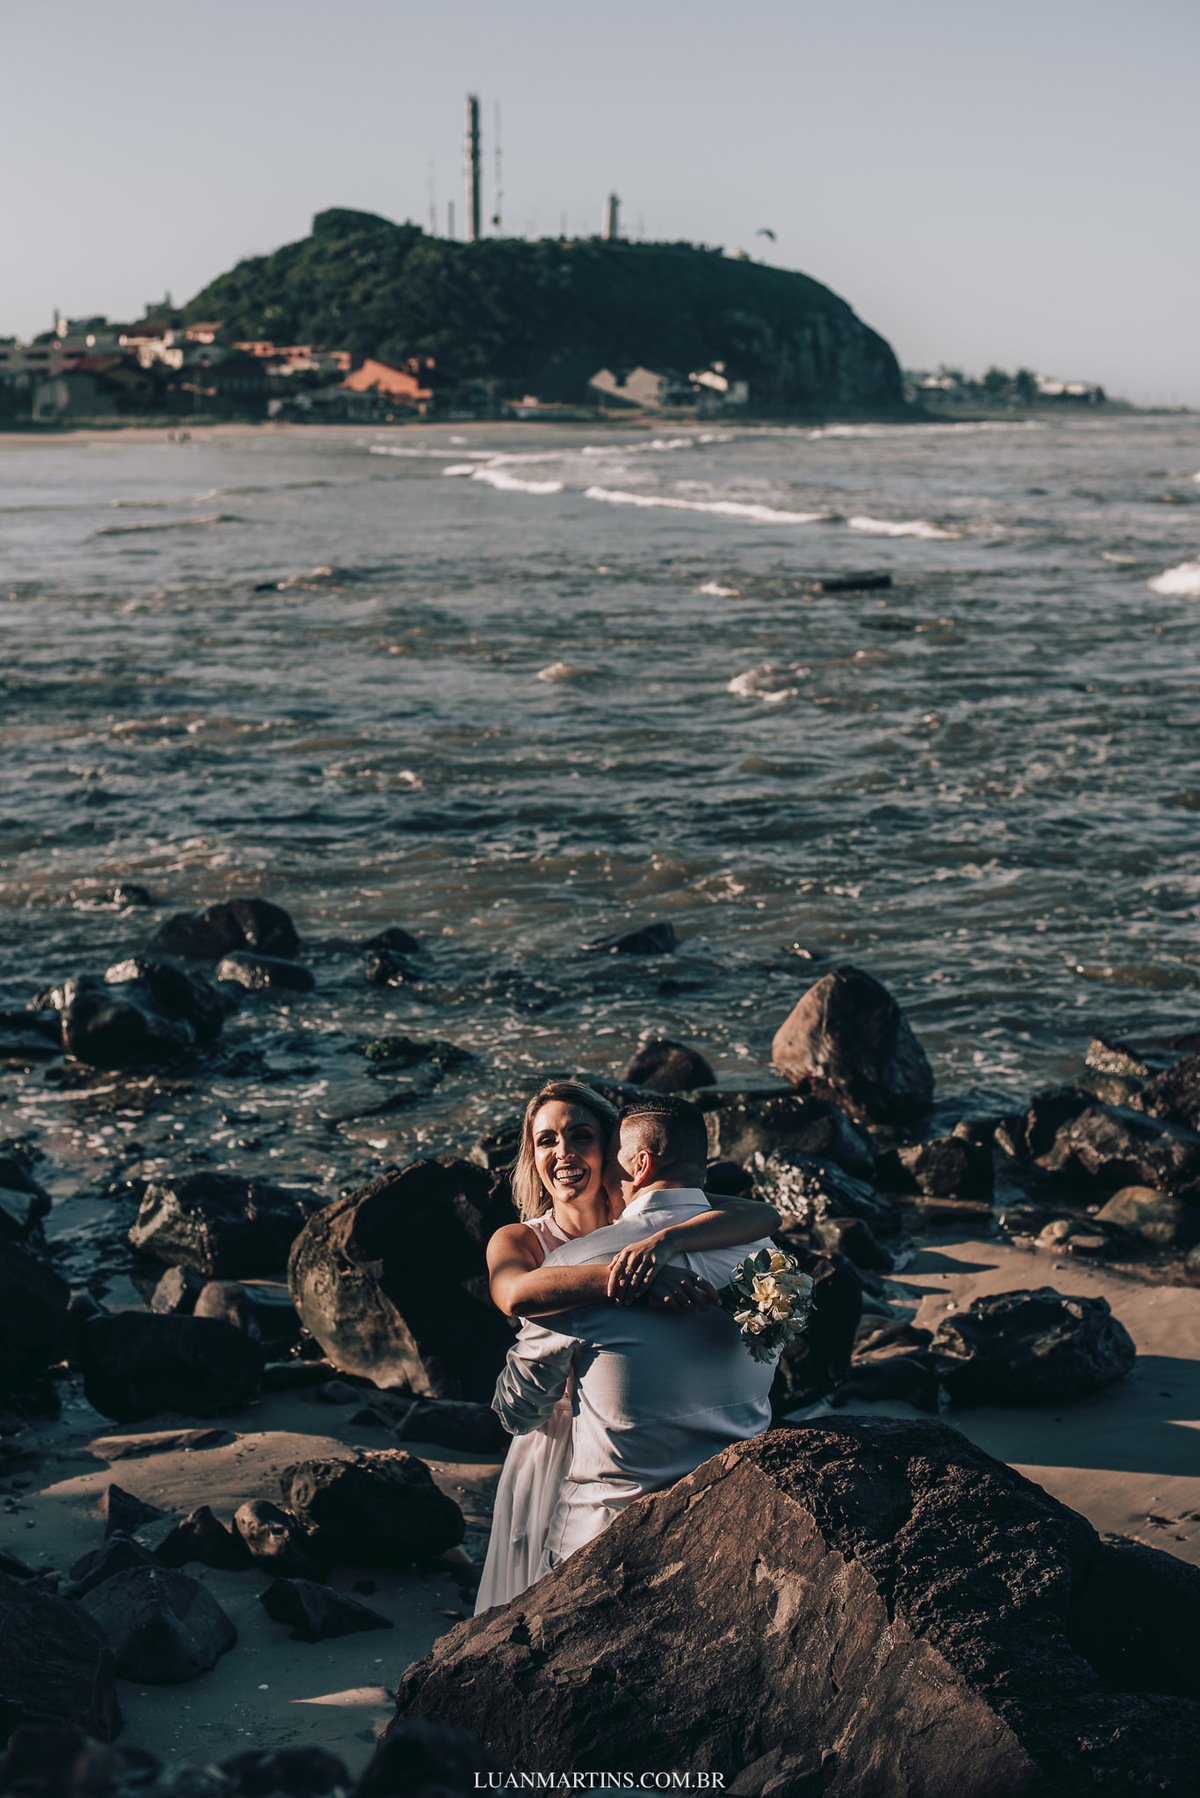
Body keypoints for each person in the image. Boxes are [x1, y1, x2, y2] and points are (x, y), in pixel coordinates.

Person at [474, 1081, 778, 1613]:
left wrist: (666, 1243)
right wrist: (627, 1279)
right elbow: (513, 1293)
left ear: (619, 1153)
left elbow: (764, 1214)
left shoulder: (664, 1226)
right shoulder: (521, 1239)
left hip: (626, 1455)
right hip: (553, 1447)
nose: (563, 1152)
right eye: (546, 1140)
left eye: (581, 1136)